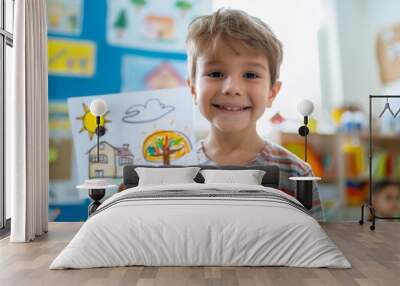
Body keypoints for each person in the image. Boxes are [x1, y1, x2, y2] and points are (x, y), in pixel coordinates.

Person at [185, 8, 324, 220]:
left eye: (250, 74)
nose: (232, 88)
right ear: (193, 89)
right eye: (215, 73)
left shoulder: (296, 172)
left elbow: (314, 246)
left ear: (271, 93)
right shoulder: (173, 169)